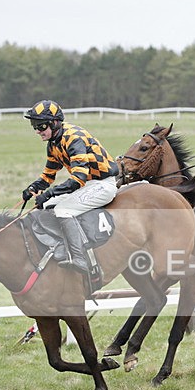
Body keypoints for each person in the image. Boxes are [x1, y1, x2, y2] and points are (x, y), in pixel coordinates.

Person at [21, 100, 118, 280]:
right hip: (88, 184)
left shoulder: (74, 138)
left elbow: (78, 179)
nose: (37, 131)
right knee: (45, 206)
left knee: (63, 210)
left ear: (55, 122)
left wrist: (49, 193)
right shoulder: (53, 143)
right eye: (34, 126)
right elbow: (48, 176)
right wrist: (33, 187)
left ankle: (79, 258)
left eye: (40, 125)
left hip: (102, 184)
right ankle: (60, 248)